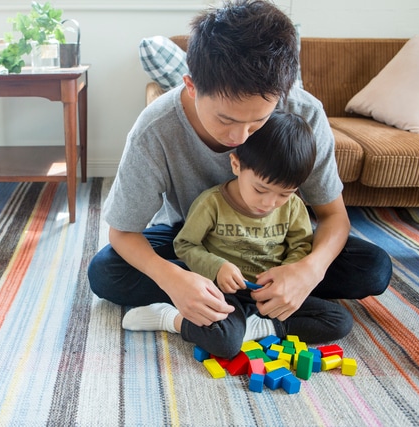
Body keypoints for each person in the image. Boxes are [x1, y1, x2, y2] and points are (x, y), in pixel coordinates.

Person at [88, 0, 391, 332]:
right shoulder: (156, 129)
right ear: (191, 86)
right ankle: (238, 300)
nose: (239, 136)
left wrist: (307, 270)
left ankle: (234, 305)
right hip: (194, 237)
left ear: (281, 95)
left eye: (258, 121)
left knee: (374, 268)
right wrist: (174, 278)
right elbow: (122, 231)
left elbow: (334, 216)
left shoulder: (304, 113)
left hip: (276, 244)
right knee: (105, 272)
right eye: (225, 119)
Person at [121, 112, 353, 358]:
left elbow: (301, 246)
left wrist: (289, 272)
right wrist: (217, 267)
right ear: (236, 165)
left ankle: (259, 327)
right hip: (225, 292)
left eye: (284, 194)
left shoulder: (294, 207)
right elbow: (185, 244)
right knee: (225, 343)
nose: (270, 203)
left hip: (271, 296)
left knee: (340, 321)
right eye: (260, 189)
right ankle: (169, 318)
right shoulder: (212, 203)